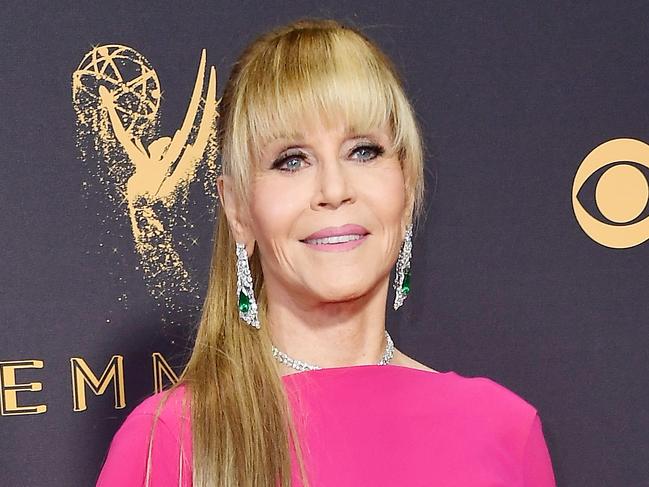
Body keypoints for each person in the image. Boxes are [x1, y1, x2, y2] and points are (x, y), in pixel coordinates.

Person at [96, 18, 557, 487]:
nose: (334, 190)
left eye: (363, 151)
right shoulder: (171, 442)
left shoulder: (503, 429)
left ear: (408, 186)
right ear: (238, 210)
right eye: (291, 160)